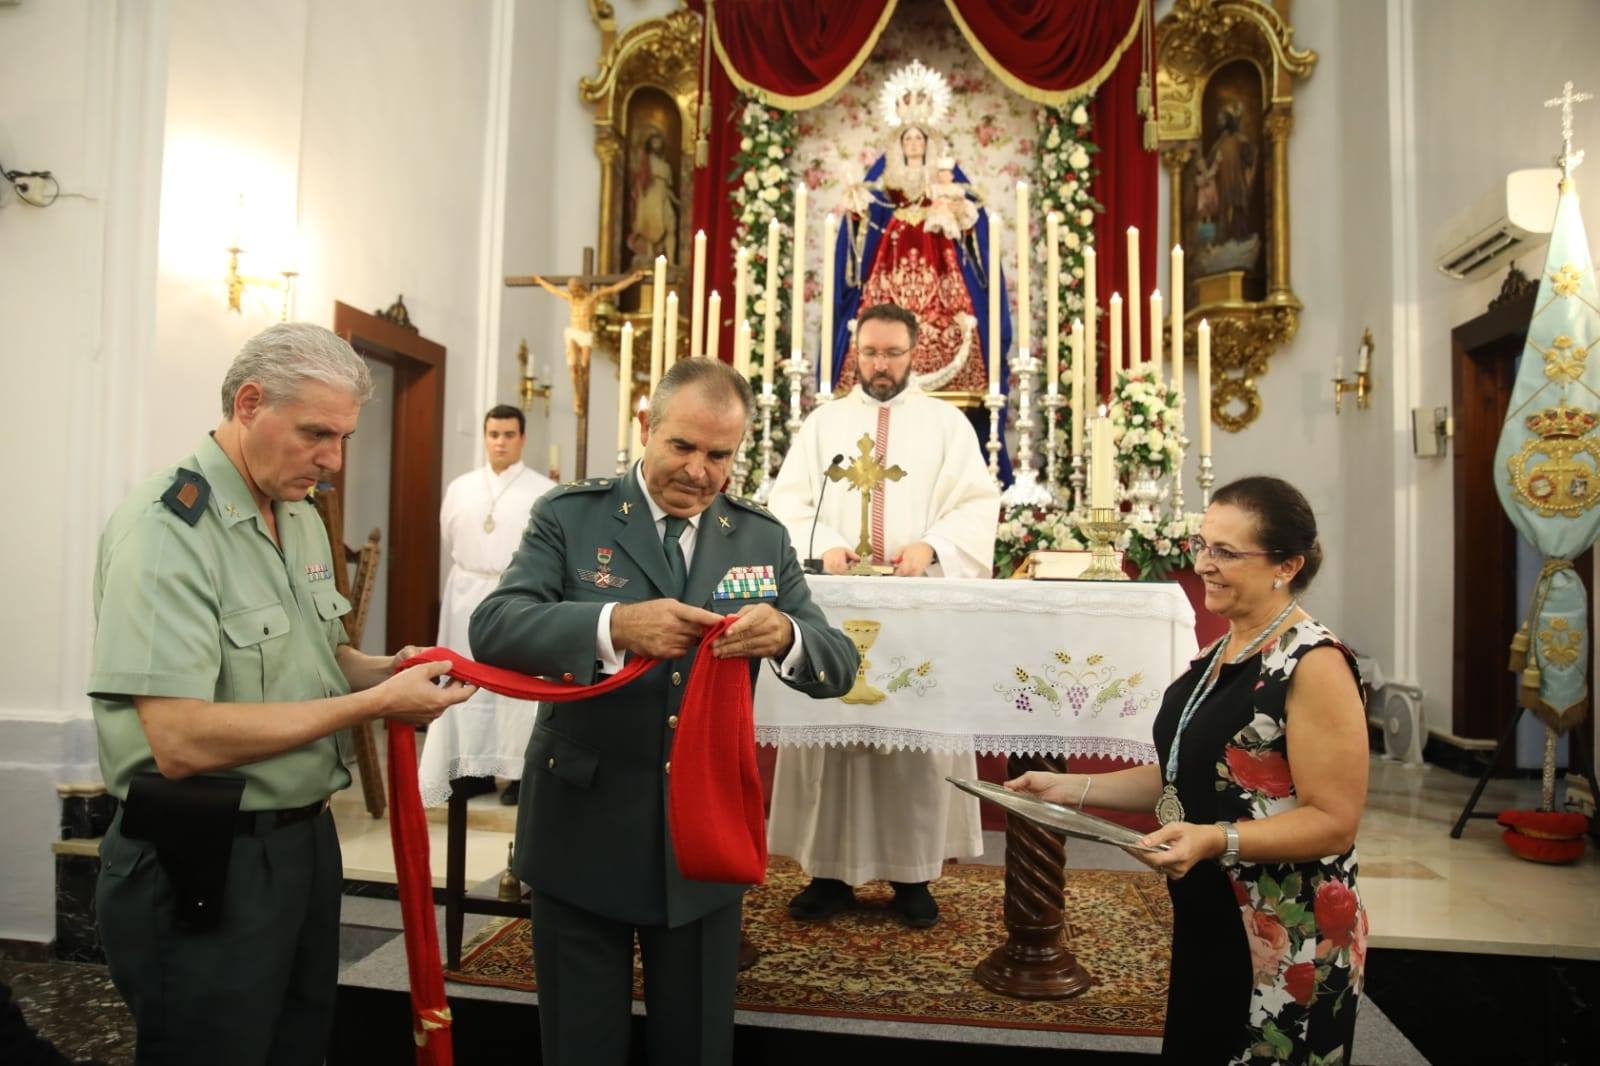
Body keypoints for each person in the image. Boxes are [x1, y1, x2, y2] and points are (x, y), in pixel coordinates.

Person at [88, 323, 474, 1065]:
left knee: (297, 1047)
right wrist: (375, 706)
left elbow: (318, 660)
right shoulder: (170, 531)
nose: (332, 461)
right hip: (204, 853)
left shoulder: (295, 514)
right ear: (249, 402)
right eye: (316, 434)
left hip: (298, 843)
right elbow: (180, 738)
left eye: (344, 437)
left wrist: (387, 668)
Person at [470, 358, 858, 1066]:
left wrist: (789, 636)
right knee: (582, 1046)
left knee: (697, 1046)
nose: (699, 472)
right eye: (682, 447)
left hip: (703, 835)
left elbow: (839, 663)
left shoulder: (761, 538)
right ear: (644, 428)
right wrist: (613, 625)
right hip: (582, 825)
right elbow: (495, 627)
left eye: (720, 456)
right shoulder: (572, 515)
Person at [1007, 476, 1368, 1064]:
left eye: (1226, 552)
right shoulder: (1220, 652)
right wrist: (1070, 788)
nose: (1204, 564)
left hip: (1285, 924)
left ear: (1287, 565)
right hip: (1211, 909)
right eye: (1202, 546)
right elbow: (1189, 774)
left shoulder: (1313, 663)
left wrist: (1215, 838)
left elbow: (1334, 822)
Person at [765, 302, 1000, 928]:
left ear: (914, 352)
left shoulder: (947, 426)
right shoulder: (823, 424)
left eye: (893, 353)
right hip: (834, 606)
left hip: (915, 606)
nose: (880, 364)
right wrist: (823, 545)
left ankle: (913, 874)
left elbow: (977, 504)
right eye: (869, 352)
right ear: (856, 352)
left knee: (913, 739)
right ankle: (826, 872)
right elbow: (787, 500)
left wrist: (933, 548)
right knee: (830, 745)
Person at [420, 404, 554, 806]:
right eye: (493, 434)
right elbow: (450, 535)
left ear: (523, 439)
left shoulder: (542, 490)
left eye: (509, 435)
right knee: (465, 675)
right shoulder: (461, 487)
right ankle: (471, 770)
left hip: (518, 595)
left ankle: (516, 771)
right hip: (466, 591)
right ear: (485, 437)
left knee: (516, 680)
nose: (500, 442)